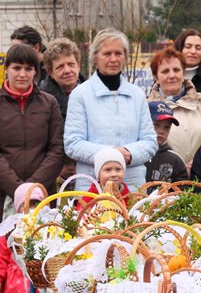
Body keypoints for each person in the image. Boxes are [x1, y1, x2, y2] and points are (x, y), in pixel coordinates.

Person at [65, 28, 157, 192]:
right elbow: (73, 143)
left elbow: (150, 142)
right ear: (95, 58)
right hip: (91, 187)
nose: (113, 59)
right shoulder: (80, 95)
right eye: (107, 54)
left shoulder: (137, 95)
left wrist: (128, 153)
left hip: (133, 186)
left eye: (118, 53)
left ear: (125, 57)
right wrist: (110, 156)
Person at [0, 44, 64, 219]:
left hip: (42, 192)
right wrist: (18, 189)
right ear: (6, 69)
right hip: (4, 193)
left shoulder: (49, 103)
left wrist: (34, 187)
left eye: (28, 69)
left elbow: (57, 148)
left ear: (36, 71)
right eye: (17, 68)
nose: (22, 74)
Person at [3, 184, 58, 293]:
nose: (33, 210)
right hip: (18, 285)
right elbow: (3, 254)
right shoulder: (12, 229)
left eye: (37, 204)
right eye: (28, 205)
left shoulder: (49, 228)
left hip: (41, 281)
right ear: (19, 208)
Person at [146, 47, 201, 165]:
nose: (172, 75)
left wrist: (197, 164)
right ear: (155, 76)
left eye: (176, 70)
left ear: (183, 72)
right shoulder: (146, 108)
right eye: (165, 71)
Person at [40, 37, 85, 184]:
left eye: (71, 64)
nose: (67, 70)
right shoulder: (41, 100)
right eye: (60, 67)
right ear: (50, 72)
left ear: (78, 66)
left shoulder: (93, 94)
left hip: (88, 172)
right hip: (53, 176)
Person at [145, 101, 189, 184]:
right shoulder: (131, 155)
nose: (162, 131)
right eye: (156, 125)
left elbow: (183, 191)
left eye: (167, 127)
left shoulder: (175, 160)